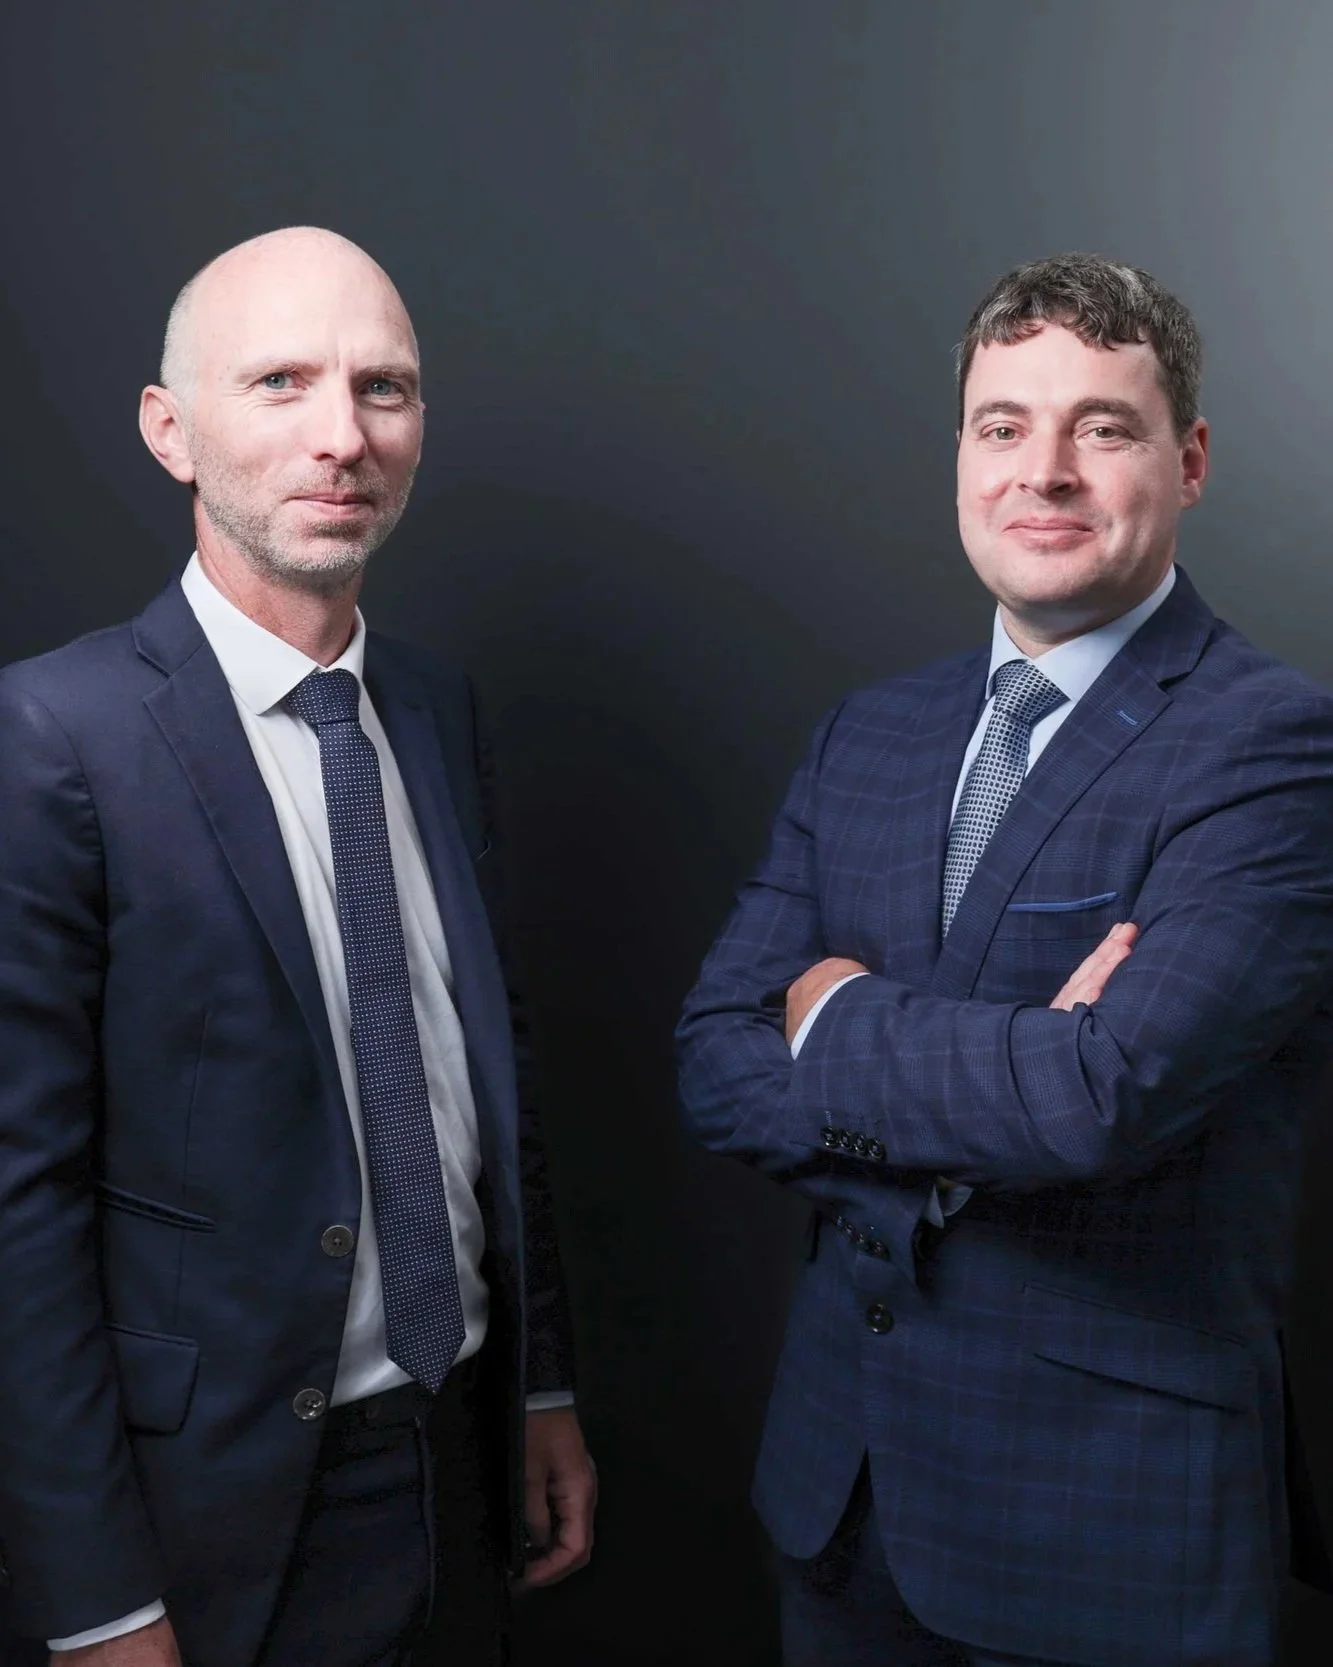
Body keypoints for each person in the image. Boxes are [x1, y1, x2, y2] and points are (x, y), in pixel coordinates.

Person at [676, 252, 1333, 1666]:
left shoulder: (1273, 748)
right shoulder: (873, 733)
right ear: (961, 455)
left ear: (1191, 458)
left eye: (1102, 426)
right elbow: (713, 1055)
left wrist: (834, 1013)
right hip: (843, 1502)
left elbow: (1102, 1095)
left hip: (1106, 1526)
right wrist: (1014, 1071)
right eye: (1002, 426)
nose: (1046, 470)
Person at [0, 226, 595, 1667]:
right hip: (212, 1511)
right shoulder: (50, 739)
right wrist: (97, 1599)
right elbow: (15, 1211)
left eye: (381, 389)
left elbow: (481, 1067)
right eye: (280, 382)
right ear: (172, 430)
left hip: (455, 1463)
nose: (342, 436)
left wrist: (538, 1385)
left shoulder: (437, 712)